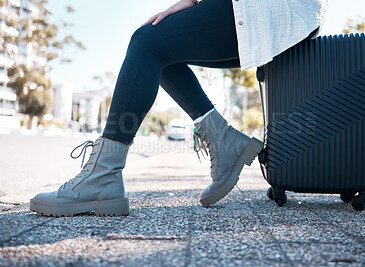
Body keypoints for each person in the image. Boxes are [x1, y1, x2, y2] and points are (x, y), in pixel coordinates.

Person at [29, 0, 327, 216]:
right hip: (290, 11)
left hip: (271, 7)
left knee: (147, 41)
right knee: (159, 47)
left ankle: (103, 174)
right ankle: (225, 142)